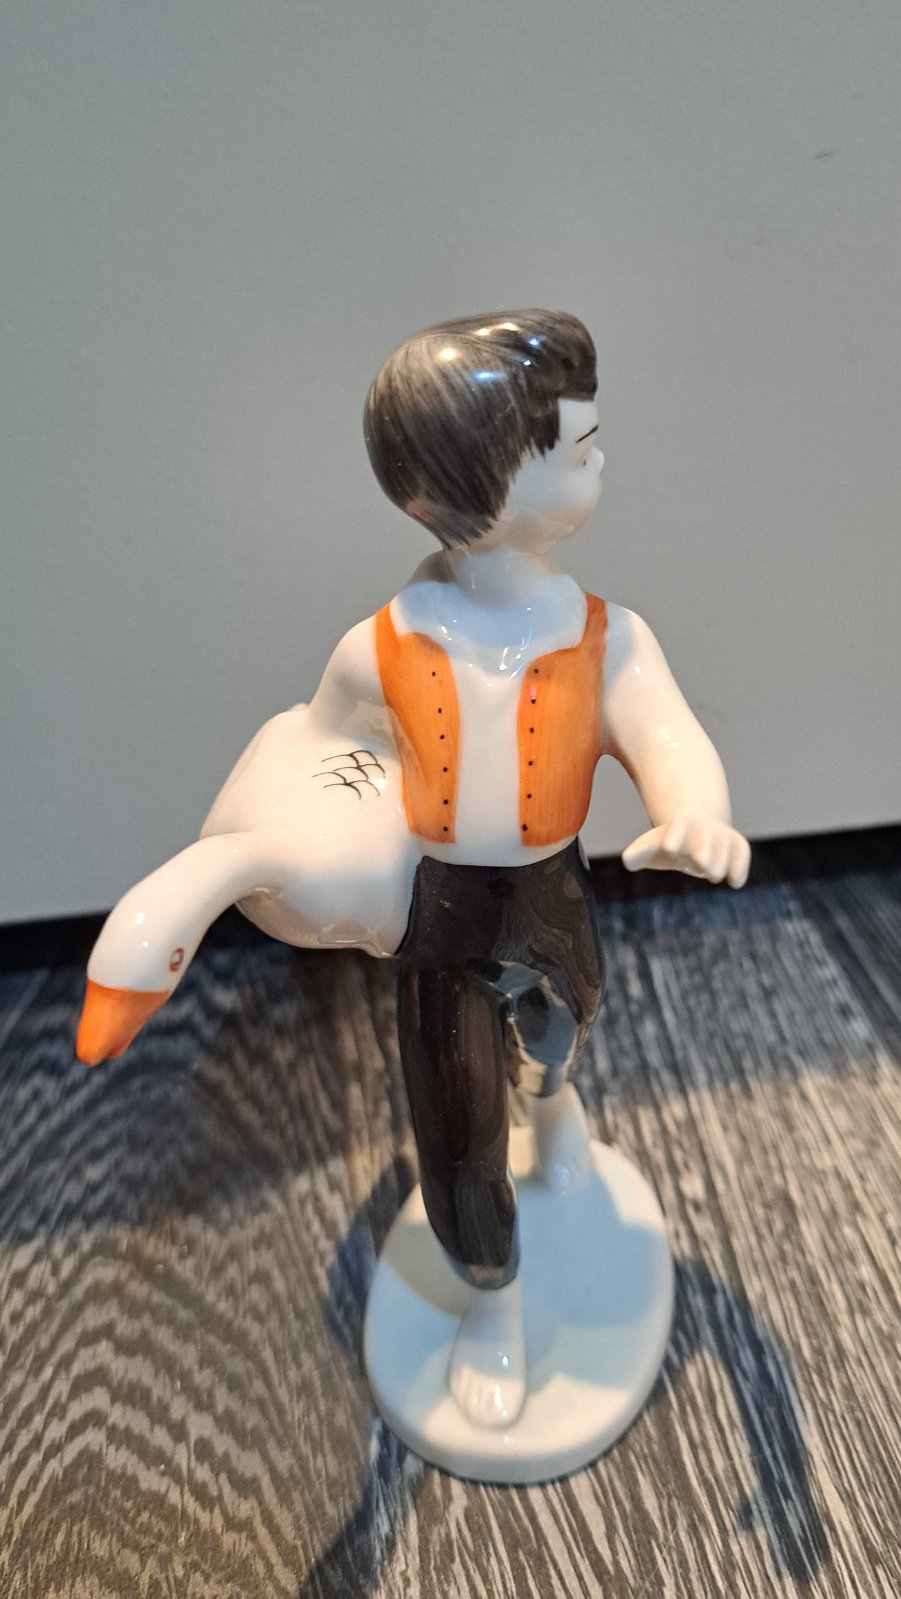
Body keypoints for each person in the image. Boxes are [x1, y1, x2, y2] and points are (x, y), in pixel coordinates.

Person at [307, 310, 750, 1429]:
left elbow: (667, 735)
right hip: (436, 918)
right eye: (576, 443)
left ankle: (552, 1104)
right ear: (471, 485)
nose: (600, 456)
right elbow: (321, 760)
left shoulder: (609, 637)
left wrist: (693, 811)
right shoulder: (377, 647)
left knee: (562, 1031)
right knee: (454, 1131)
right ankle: (490, 1294)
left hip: (549, 896)